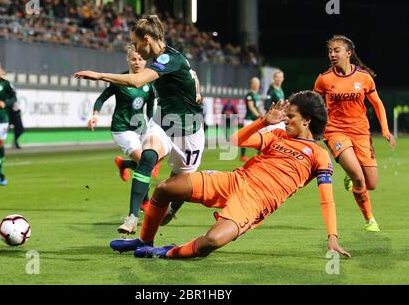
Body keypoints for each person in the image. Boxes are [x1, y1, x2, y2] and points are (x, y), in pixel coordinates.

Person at [109, 92, 351, 260]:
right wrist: (262, 122)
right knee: (165, 188)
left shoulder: (319, 155)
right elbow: (235, 142)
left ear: (307, 120)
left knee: (210, 242)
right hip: (234, 180)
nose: (285, 120)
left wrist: (332, 237)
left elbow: (326, 199)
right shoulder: (278, 135)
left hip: (255, 203)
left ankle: (169, 251)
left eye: (291, 117)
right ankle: (144, 241)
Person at [74, 14, 205, 234]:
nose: (135, 49)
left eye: (136, 43)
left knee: (173, 198)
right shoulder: (162, 61)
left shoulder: (169, 59)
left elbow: (137, 80)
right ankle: (132, 217)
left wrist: (98, 75)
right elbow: (192, 74)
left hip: (189, 130)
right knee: (147, 157)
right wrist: (197, 91)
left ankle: (171, 209)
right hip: (163, 121)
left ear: (147, 39)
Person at [313, 34, 396, 232]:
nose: (332, 54)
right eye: (330, 51)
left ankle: (351, 174)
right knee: (359, 178)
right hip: (335, 132)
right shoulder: (324, 79)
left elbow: (377, 104)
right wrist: (312, 129)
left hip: (361, 133)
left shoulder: (363, 78)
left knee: (371, 183)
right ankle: (370, 219)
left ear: (348, 53)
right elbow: (314, 105)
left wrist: (385, 129)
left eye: (336, 50)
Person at [87, 47, 160, 233]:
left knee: (147, 164)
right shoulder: (120, 81)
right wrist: (95, 115)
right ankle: (144, 202)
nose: (137, 62)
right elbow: (102, 98)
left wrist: (152, 125)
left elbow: (150, 106)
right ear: (128, 60)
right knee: (146, 163)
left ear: (146, 61)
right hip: (122, 129)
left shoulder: (148, 82)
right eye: (134, 59)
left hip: (141, 128)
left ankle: (125, 164)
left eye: (141, 59)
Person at [240, 77, 262, 161]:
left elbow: (258, 107)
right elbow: (251, 107)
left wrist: (262, 115)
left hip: (255, 119)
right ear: (252, 84)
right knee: (245, 137)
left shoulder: (257, 95)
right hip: (249, 119)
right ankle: (242, 156)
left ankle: (259, 156)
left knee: (261, 137)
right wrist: (258, 115)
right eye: (255, 83)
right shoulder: (249, 95)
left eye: (258, 83)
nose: (257, 85)